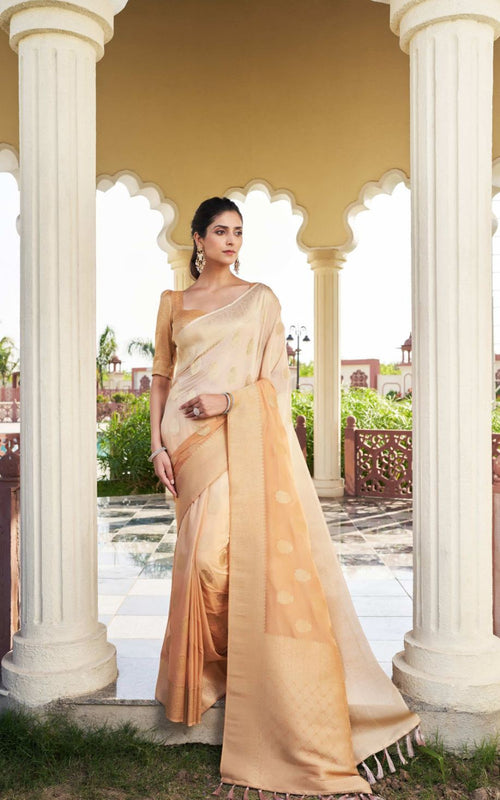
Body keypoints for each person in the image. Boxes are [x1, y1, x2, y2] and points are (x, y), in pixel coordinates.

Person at [149, 197, 423, 800]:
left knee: (217, 560)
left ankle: (254, 675)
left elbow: (275, 381)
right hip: (183, 442)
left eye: (238, 232)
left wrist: (228, 403)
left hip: (233, 432)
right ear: (196, 239)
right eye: (219, 231)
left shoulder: (262, 298)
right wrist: (156, 446)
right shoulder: (174, 304)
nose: (230, 241)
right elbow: (163, 378)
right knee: (198, 561)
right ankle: (211, 679)